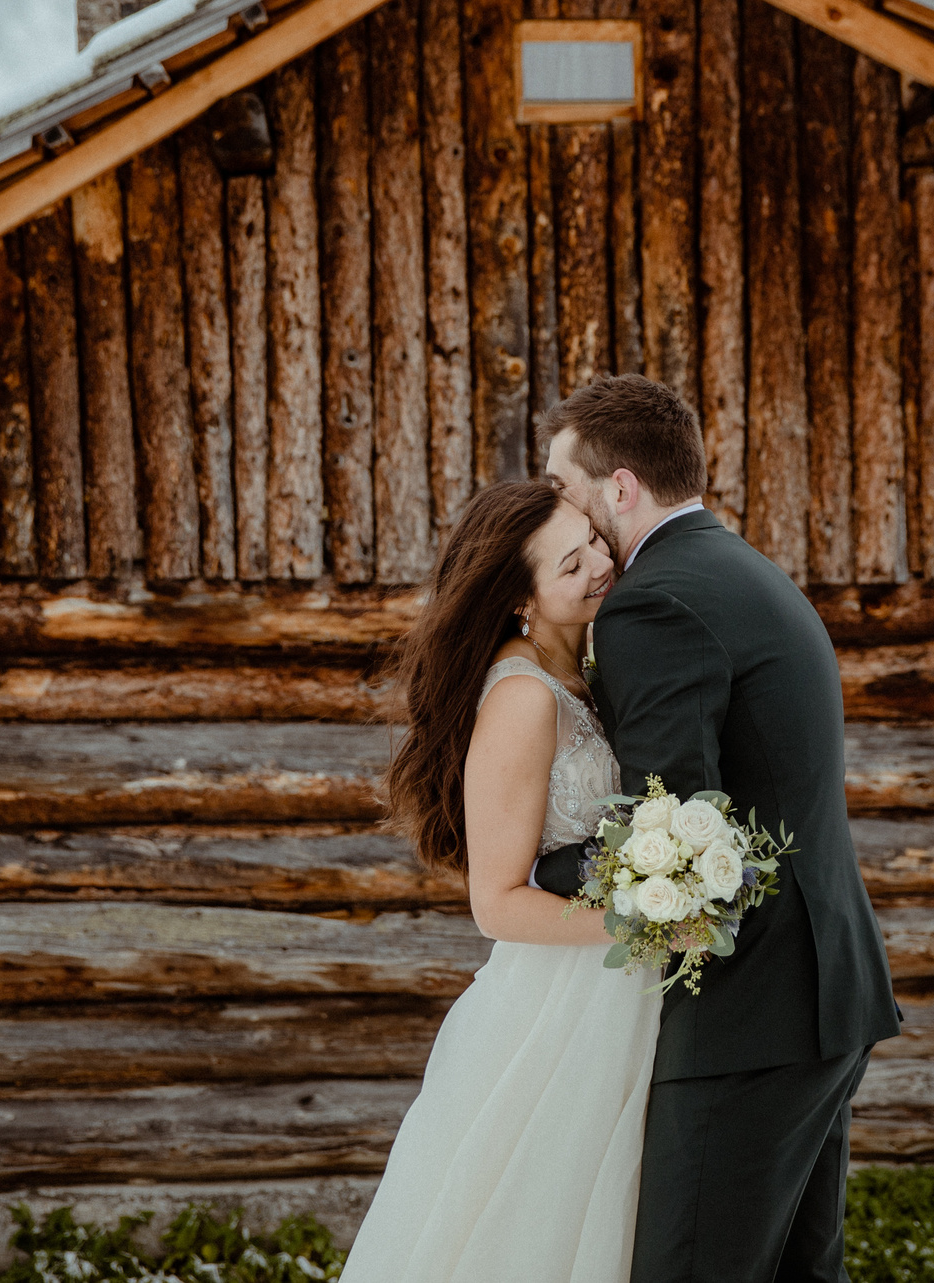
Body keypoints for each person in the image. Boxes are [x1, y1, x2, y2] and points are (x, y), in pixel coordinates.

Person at [534, 374, 900, 1283]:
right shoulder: (739, 568)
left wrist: (538, 865)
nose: (558, 509)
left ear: (619, 488)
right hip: (817, 995)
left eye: (565, 487)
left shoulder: (653, 603)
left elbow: (677, 828)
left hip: (747, 1015)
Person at [344, 480, 653, 1283]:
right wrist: (647, 922)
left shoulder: (575, 665)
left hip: (611, 988)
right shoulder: (521, 697)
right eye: (570, 562)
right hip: (559, 1003)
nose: (598, 565)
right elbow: (498, 901)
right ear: (520, 595)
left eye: (592, 538)